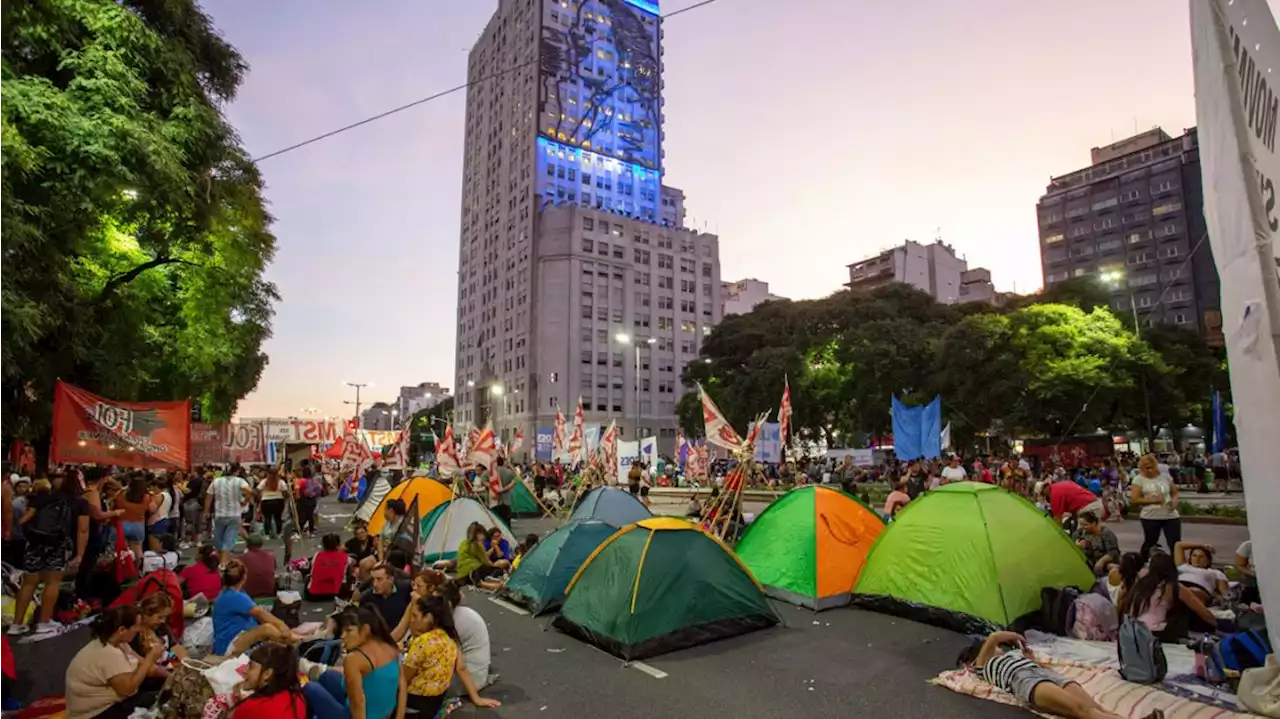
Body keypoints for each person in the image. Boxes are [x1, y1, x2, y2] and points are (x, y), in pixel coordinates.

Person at [958, 631, 1162, 719]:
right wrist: (1016, 636)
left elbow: (1032, 663)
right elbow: (994, 637)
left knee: (1095, 708)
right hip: (1024, 680)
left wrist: (1030, 658)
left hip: (1043, 674)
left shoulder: (1011, 655)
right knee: (1080, 710)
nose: (999, 648)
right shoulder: (982, 665)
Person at [10, 470, 90, 637]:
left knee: (28, 583)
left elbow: (23, 520)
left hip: (35, 543)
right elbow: (83, 530)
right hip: (58, 545)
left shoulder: (44, 497)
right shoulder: (80, 503)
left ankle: (16, 624)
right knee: (52, 582)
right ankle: (44, 622)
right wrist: (80, 555)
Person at [403, 595, 500, 716]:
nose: (411, 620)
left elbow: (404, 679)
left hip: (416, 701)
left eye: (415, 616)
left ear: (428, 618)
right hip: (436, 701)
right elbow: (461, 668)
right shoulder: (450, 637)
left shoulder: (422, 642)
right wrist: (477, 699)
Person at [302, 606, 405, 719]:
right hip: (384, 713)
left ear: (366, 630)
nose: (343, 636)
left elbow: (358, 702)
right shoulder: (391, 648)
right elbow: (402, 685)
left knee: (310, 688)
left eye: (349, 631)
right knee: (327, 676)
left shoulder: (354, 659)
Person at [66, 606, 165, 719]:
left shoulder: (120, 644)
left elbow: (142, 664)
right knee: (162, 698)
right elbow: (126, 690)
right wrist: (150, 658)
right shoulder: (108, 653)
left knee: (163, 685)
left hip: (112, 701)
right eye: (136, 626)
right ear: (122, 630)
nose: (139, 630)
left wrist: (172, 675)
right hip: (95, 713)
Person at [1117, 552, 1218, 642]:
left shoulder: (1140, 583)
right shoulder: (1172, 586)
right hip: (1154, 632)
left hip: (1130, 630)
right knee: (1183, 609)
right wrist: (1218, 625)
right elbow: (1200, 610)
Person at [211, 560, 297, 657]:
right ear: (244, 577)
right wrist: (282, 626)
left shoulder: (231, 593)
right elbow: (260, 613)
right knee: (267, 629)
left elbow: (259, 615)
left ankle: (298, 638)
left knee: (271, 630)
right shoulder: (234, 596)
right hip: (228, 646)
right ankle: (299, 642)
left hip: (236, 639)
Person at [230, 642, 307, 719]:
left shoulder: (251, 708)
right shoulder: (297, 697)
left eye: (251, 666)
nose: (244, 670)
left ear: (267, 674)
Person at [437, 582, 492, 689]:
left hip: (469, 679)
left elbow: (458, 665)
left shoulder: (453, 621)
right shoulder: (457, 613)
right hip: (472, 673)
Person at [1129, 454, 1180, 557]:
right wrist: (1153, 501)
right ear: (1142, 468)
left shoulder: (1165, 477)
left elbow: (1175, 492)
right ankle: (1142, 561)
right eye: (1147, 468)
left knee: (1175, 543)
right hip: (1150, 516)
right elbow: (1134, 499)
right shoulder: (1139, 479)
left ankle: (1177, 565)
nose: (1150, 470)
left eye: (1152, 467)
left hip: (1170, 515)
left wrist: (1174, 502)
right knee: (1150, 541)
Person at [206, 468, 253, 567]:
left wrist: (206, 510)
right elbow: (249, 490)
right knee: (229, 538)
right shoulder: (239, 480)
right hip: (234, 514)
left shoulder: (216, 481)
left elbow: (209, 496)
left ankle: (220, 560)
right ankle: (223, 562)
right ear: (235, 471)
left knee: (218, 538)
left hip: (219, 513)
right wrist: (246, 500)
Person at [130, 592, 186, 665]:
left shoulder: (162, 627)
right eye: (160, 617)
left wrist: (180, 661)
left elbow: (170, 650)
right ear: (146, 614)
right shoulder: (134, 636)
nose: (163, 621)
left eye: (165, 617)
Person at [1173, 541, 1228, 606]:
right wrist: (1202, 546)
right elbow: (1178, 545)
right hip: (1179, 586)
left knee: (1192, 591)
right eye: (1194, 556)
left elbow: (1224, 593)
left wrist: (1223, 599)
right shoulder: (1183, 566)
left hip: (1199, 591)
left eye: (1201, 557)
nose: (1197, 559)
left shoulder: (1215, 572)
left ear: (1208, 560)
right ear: (1190, 558)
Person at [359, 564, 412, 628]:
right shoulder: (366, 598)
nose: (375, 584)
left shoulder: (405, 588)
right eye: (373, 580)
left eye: (379, 579)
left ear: (391, 580)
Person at [456, 522, 505, 591]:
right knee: (497, 569)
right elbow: (486, 561)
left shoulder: (463, 543)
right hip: (475, 571)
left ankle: (485, 582)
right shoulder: (477, 545)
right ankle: (490, 580)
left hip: (462, 575)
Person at [114, 478, 151, 561]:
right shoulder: (146, 497)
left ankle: (125, 570)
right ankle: (137, 570)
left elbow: (116, 500)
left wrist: (123, 489)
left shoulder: (122, 496)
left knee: (123, 551)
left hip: (123, 524)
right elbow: (146, 509)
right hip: (138, 525)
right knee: (138, 551)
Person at [307, 534, 351, 601]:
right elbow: (350, 568)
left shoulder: (317, 555)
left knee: (308, 578)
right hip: (337, 593)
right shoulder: (345, 557)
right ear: (338, 545)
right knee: (349, 575)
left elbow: (312, 570)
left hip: (314, 595)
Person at [256, 469, 288, 540]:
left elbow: (258, 489)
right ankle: (279, 533)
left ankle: (267, 534)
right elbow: (285, 491)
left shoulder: (264, 481)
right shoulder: (280, 481)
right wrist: (284, 499)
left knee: (267, 518)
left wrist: (260, 497)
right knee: (278, 517)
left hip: (266, 500)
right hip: (278, 500)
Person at [295, 465, 323, 536]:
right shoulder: (314, 480)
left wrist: (297, 496)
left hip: (303, 499)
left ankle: (301, 529)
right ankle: (311, 531)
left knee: (302, 514)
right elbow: (320, 488)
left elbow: (297, 488)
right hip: (313, 499)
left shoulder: (300, 480)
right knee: (310, 515)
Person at [491, 457, 517, 526]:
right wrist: (505, 489)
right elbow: (515, 481)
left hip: (494, 497)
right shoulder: (508, 471)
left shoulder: (492, 472)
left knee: (495, 518)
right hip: (506, 496)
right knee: (506, 518)